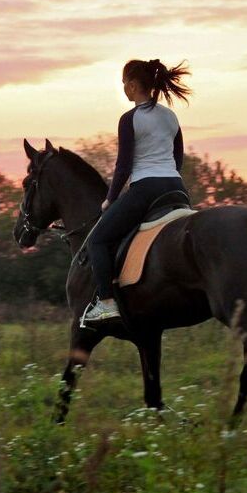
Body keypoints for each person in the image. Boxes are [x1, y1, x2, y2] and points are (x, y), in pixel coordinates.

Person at [82, 58, 193, 322]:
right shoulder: (170, 116)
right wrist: (168, 174)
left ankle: (107, 302)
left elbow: (123, 165)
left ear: (132, 85)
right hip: (176, 187)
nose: (123, 89)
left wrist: (110, 199)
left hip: (147, 188)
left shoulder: (130, 119)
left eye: (123, 84)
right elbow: (178, 157)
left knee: (98, 239)